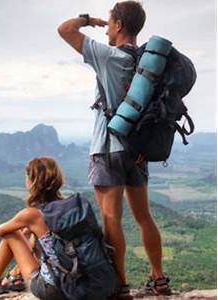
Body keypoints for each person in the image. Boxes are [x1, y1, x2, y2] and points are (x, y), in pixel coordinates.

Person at [57, 1, 170, 298]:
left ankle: (120, 286)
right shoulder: (147, 63)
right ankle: (159, 279)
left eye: (109, 23)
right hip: (138, 150)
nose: (105, 28)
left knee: (111, 218)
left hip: (107, 148)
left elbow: (64, 29)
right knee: (144, 216)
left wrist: (89, 19)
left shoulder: (108, 56)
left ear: (119, 25)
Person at [0, 156, 117, 300]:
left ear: (32, 181)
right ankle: (14, 275)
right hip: (100, 284)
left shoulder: (32, 214)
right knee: (39, 238)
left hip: (57, 289)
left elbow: (0, 231)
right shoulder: (76, 206)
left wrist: (26, 227)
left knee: (12, 235)